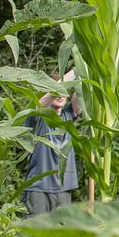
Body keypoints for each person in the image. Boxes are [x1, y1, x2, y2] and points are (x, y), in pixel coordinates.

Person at [22, 71, 79, 216]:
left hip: (63, 189)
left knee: (62, 236)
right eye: (56, 91)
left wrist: (84, 61)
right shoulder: (37, 116)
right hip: (38, 188)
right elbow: (41, 103)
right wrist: (74, 71)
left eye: (64, 92)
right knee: (36, 236)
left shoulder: (68, 116)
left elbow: (82, 93)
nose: (60, 95)